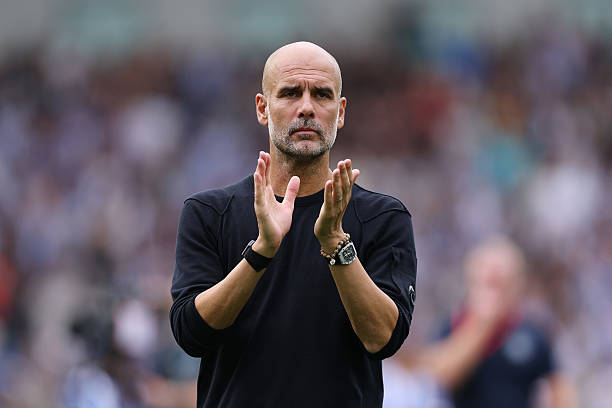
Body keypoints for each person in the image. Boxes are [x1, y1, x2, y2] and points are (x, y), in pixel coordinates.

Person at [169, 42, 417, 407]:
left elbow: (383, 339)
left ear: (340, 112)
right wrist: (260, 253)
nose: (306, 107)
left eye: (322, 94)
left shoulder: (383, 217)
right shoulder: (209, 212)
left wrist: (336, 244)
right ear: (262, 108)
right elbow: (191, 334)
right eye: (289, 93)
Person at [392, 237, 574, 408]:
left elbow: (559, 387)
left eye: (502, 283)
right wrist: (482, 325)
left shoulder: (531, 332)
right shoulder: (454, 325)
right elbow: (441, 377)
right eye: (490, 283)